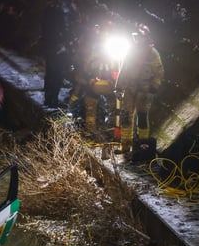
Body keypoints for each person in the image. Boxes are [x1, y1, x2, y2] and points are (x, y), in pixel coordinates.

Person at [115, 23, 164, 154]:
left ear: (146, 37)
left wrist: (154, 88)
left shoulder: (152, 53)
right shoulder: (131, 51)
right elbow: (124, 70)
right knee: (126, 116)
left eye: (139, 36)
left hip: (144, 90)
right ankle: (125, 146)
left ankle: (142, 147)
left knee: (142, 117)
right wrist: (118, 87)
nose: (136, 38)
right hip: (130, 89)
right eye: (135, 36)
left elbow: (158, 72)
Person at [68, 20, 121, 135]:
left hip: (108, 83)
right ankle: (89, 130)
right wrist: (89, 78)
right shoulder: (93, 44)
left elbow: (118, 66)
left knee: (114, 105)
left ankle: (110, 129)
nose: (105, 33)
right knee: (90, 106)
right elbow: (86, 63)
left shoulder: (115, 46)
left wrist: (114, 80)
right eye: (104, 31)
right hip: (94, 81)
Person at [40, 0, 79, 108]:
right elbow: (66, 28)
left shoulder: (50, 8)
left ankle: (48, 98)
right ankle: (53, 100)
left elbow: (44, 26)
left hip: (48, 44)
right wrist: (68, 42)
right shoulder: (63, 11)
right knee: (57, 74)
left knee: (51, 71)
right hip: (59, 47)